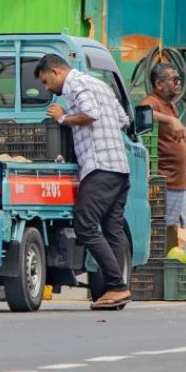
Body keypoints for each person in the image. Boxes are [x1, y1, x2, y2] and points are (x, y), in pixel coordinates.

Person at [34, 54, 132, 310]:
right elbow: (124, 120)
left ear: (56, 72)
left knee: (85, 225)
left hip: (99, 167)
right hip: (120, 167)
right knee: (113, 230)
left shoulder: (74, 85)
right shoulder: (101, 84)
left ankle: (117, 286)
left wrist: (63, 118)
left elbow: (90, 113)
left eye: (46, 81)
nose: (47, 88)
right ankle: (116, 289)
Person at [140, 63, 186, 227]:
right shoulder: (152, 102)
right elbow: (143, 111)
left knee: (181, 230)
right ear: (159, 84)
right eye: (173, 79)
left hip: (178, 183)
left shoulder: (171, 105)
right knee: (170, 231)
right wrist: (171, 120)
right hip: (166, 183)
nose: (178, 83)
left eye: (178, 79)